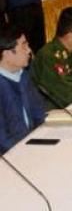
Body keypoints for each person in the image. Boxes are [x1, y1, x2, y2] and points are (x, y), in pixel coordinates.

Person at [0, 25, 45, 153]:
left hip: (32, 146)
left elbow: (39, 115)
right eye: (24, 46)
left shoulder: (23, 75)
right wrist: (27, 153)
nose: (29, 50)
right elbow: (2, 140)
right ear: (7, 54)